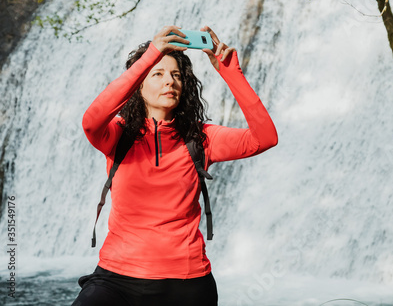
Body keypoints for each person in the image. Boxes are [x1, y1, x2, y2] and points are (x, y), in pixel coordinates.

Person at [71, 25, 278, 306]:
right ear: (138, 85)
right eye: (157, 74)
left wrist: (230, 72)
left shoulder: (202, 139)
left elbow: (265, 138)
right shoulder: (118, 135)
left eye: (176, 75)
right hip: (117, 278)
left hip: (187, 282)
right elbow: (91, 121)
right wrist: (151, 54)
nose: (170, 81)